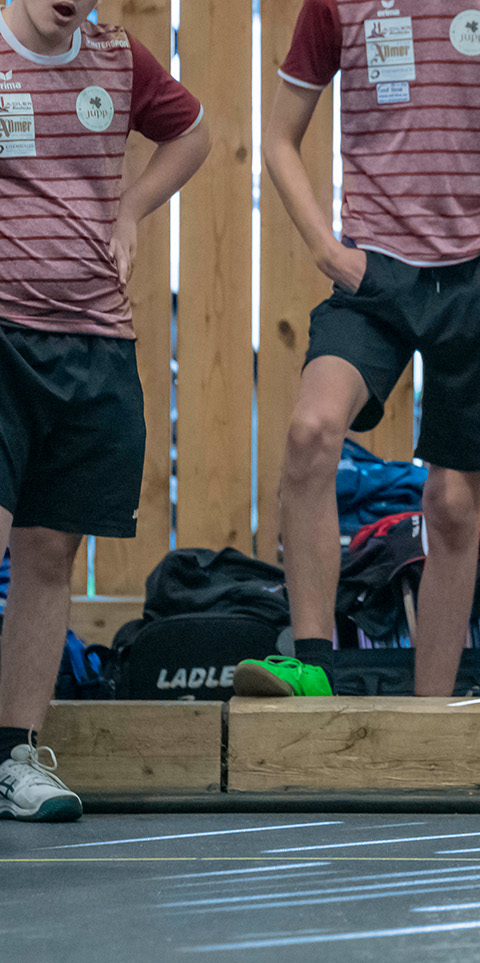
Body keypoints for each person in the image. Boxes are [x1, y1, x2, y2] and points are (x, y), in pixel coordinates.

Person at [260, 0, 480, 696]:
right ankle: (310, 667)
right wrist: (325, 249)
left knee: (454, 503)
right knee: (310, 433)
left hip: (478, 275)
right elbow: (278, 136)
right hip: (374, 271)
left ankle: (430, 713)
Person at [0, 0, 209, 820]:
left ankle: (14, 753)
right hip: (2, 333)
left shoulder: (118, 59)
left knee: (49, 550)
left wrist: (129, 208)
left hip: (92, 340)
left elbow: (192, 133)